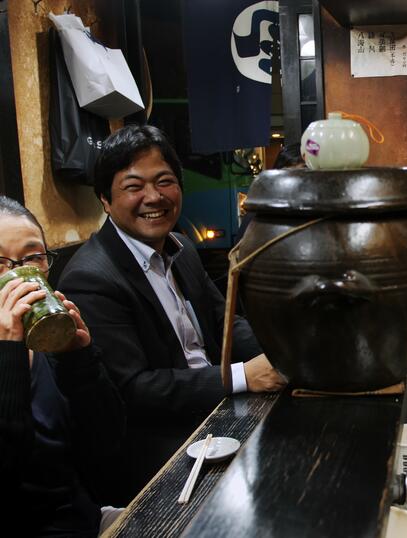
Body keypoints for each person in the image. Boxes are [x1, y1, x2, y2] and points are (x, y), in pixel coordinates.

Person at [58, 124, 285, 501]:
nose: (153, 197)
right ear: (105, 199)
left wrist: (282, 354)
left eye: (164, 181)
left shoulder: (181, 247)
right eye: (133, 187)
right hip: (159, 448)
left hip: (214, 414)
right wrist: (244, 375)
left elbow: (225, 323)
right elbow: (136, 390)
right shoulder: (90, 278)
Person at [0, 196, 124, 535]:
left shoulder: (46, 345)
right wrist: (7, 349)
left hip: (88, 520)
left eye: (33, 258)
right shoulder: (11, 346)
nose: (18, 277)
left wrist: (79, 359)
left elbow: (107, 444)